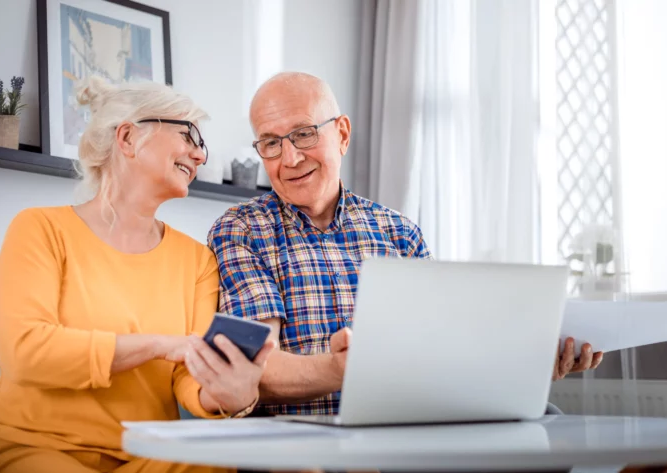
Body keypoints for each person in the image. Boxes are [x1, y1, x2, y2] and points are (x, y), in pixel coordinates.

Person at [207, 71, 603, 417]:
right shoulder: (240, 230)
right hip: (304, 442)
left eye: (304, 134)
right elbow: (257, 367)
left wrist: (525, 364)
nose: (289, 158)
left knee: (549, 422)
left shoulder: (399, 232)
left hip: (407, 427)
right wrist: (348, 368)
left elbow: (444, 350)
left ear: (341, 133)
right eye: (271, 143)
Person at [0, 77, 275, 473]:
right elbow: (26, 354)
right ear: (127, 137)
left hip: (147, 455)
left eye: (201, 144)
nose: (199, 156)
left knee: (219, 462)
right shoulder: (39, 229)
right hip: (33, 446)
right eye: (188, 135)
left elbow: (188, 379)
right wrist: (157, 344)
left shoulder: (196, 261)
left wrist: (226, 394)